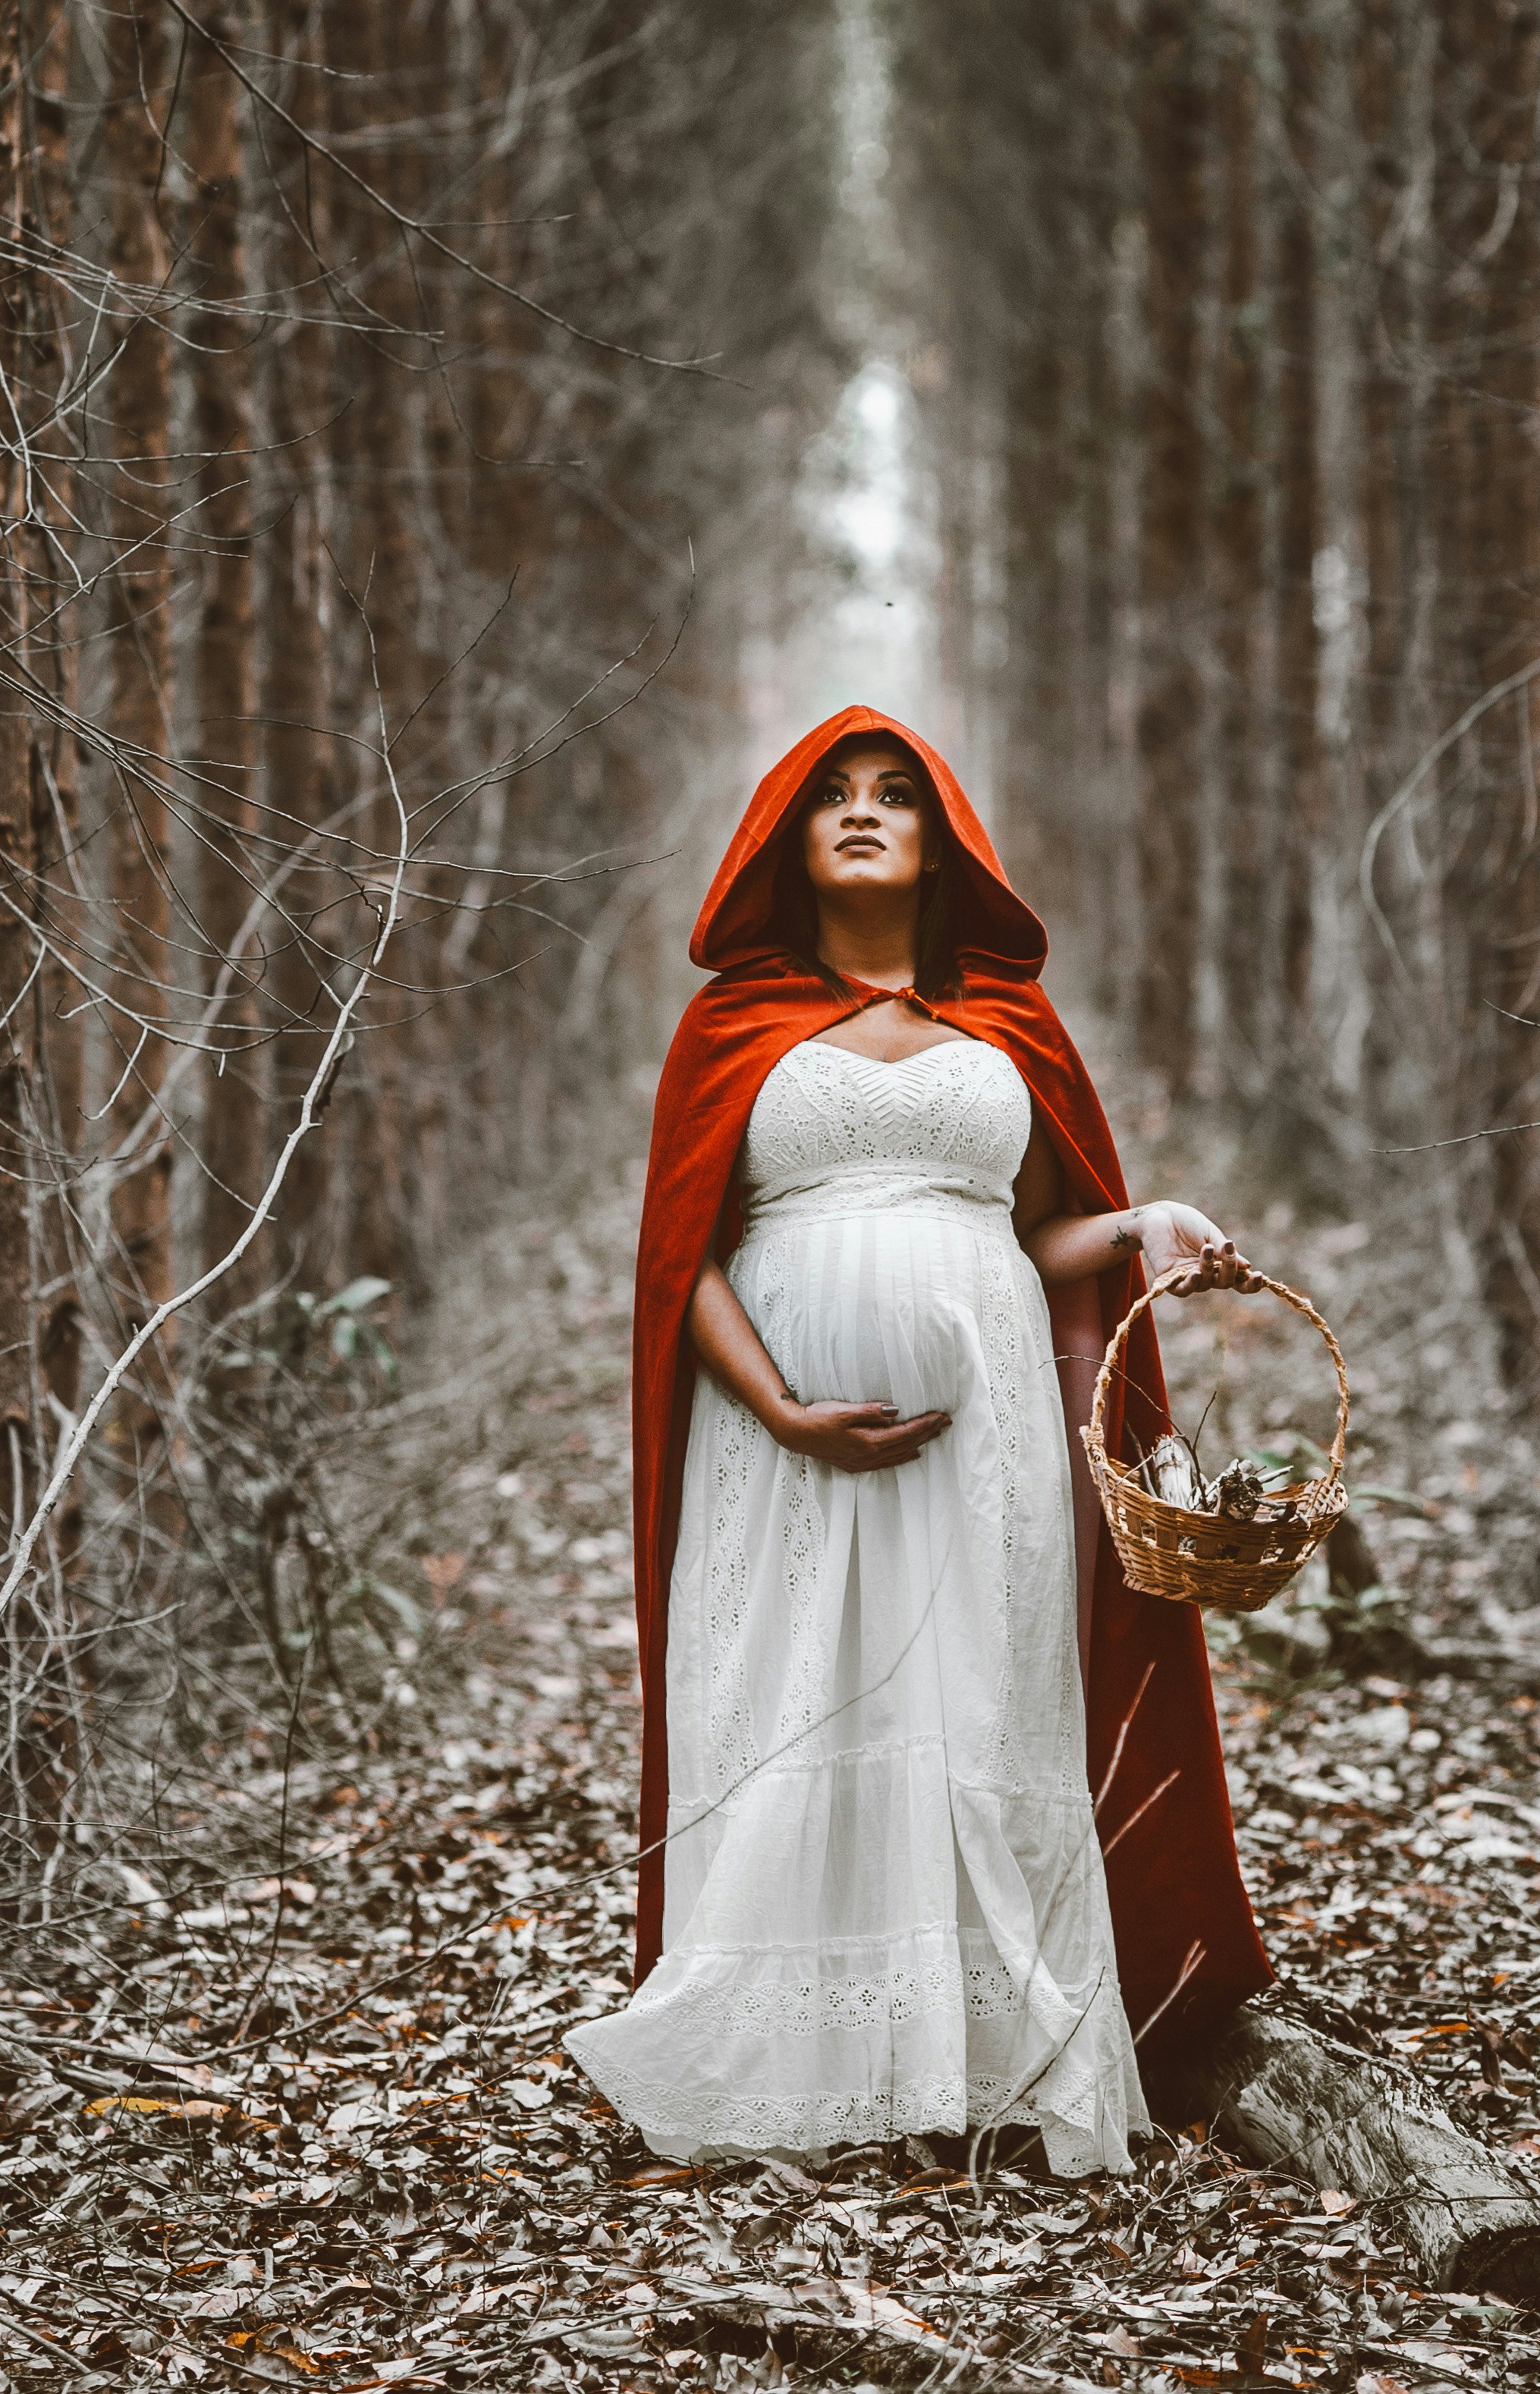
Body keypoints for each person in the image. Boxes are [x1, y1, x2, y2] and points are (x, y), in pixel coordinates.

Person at [566, 708, 1271, 2176]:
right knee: (787, 1697)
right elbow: (680, 1256)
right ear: (787, 838)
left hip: (993, 1426)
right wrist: (774, 1404)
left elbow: (1038, 1231)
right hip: (776, 1445)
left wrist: (1144, 1223)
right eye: (833, 797)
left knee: (981, 1695)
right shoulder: (731, 1024)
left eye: (899, 795)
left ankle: (986, 2059)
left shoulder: (1008, 1024)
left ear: (943, 836)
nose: (867, 813)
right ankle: (785, 2064)